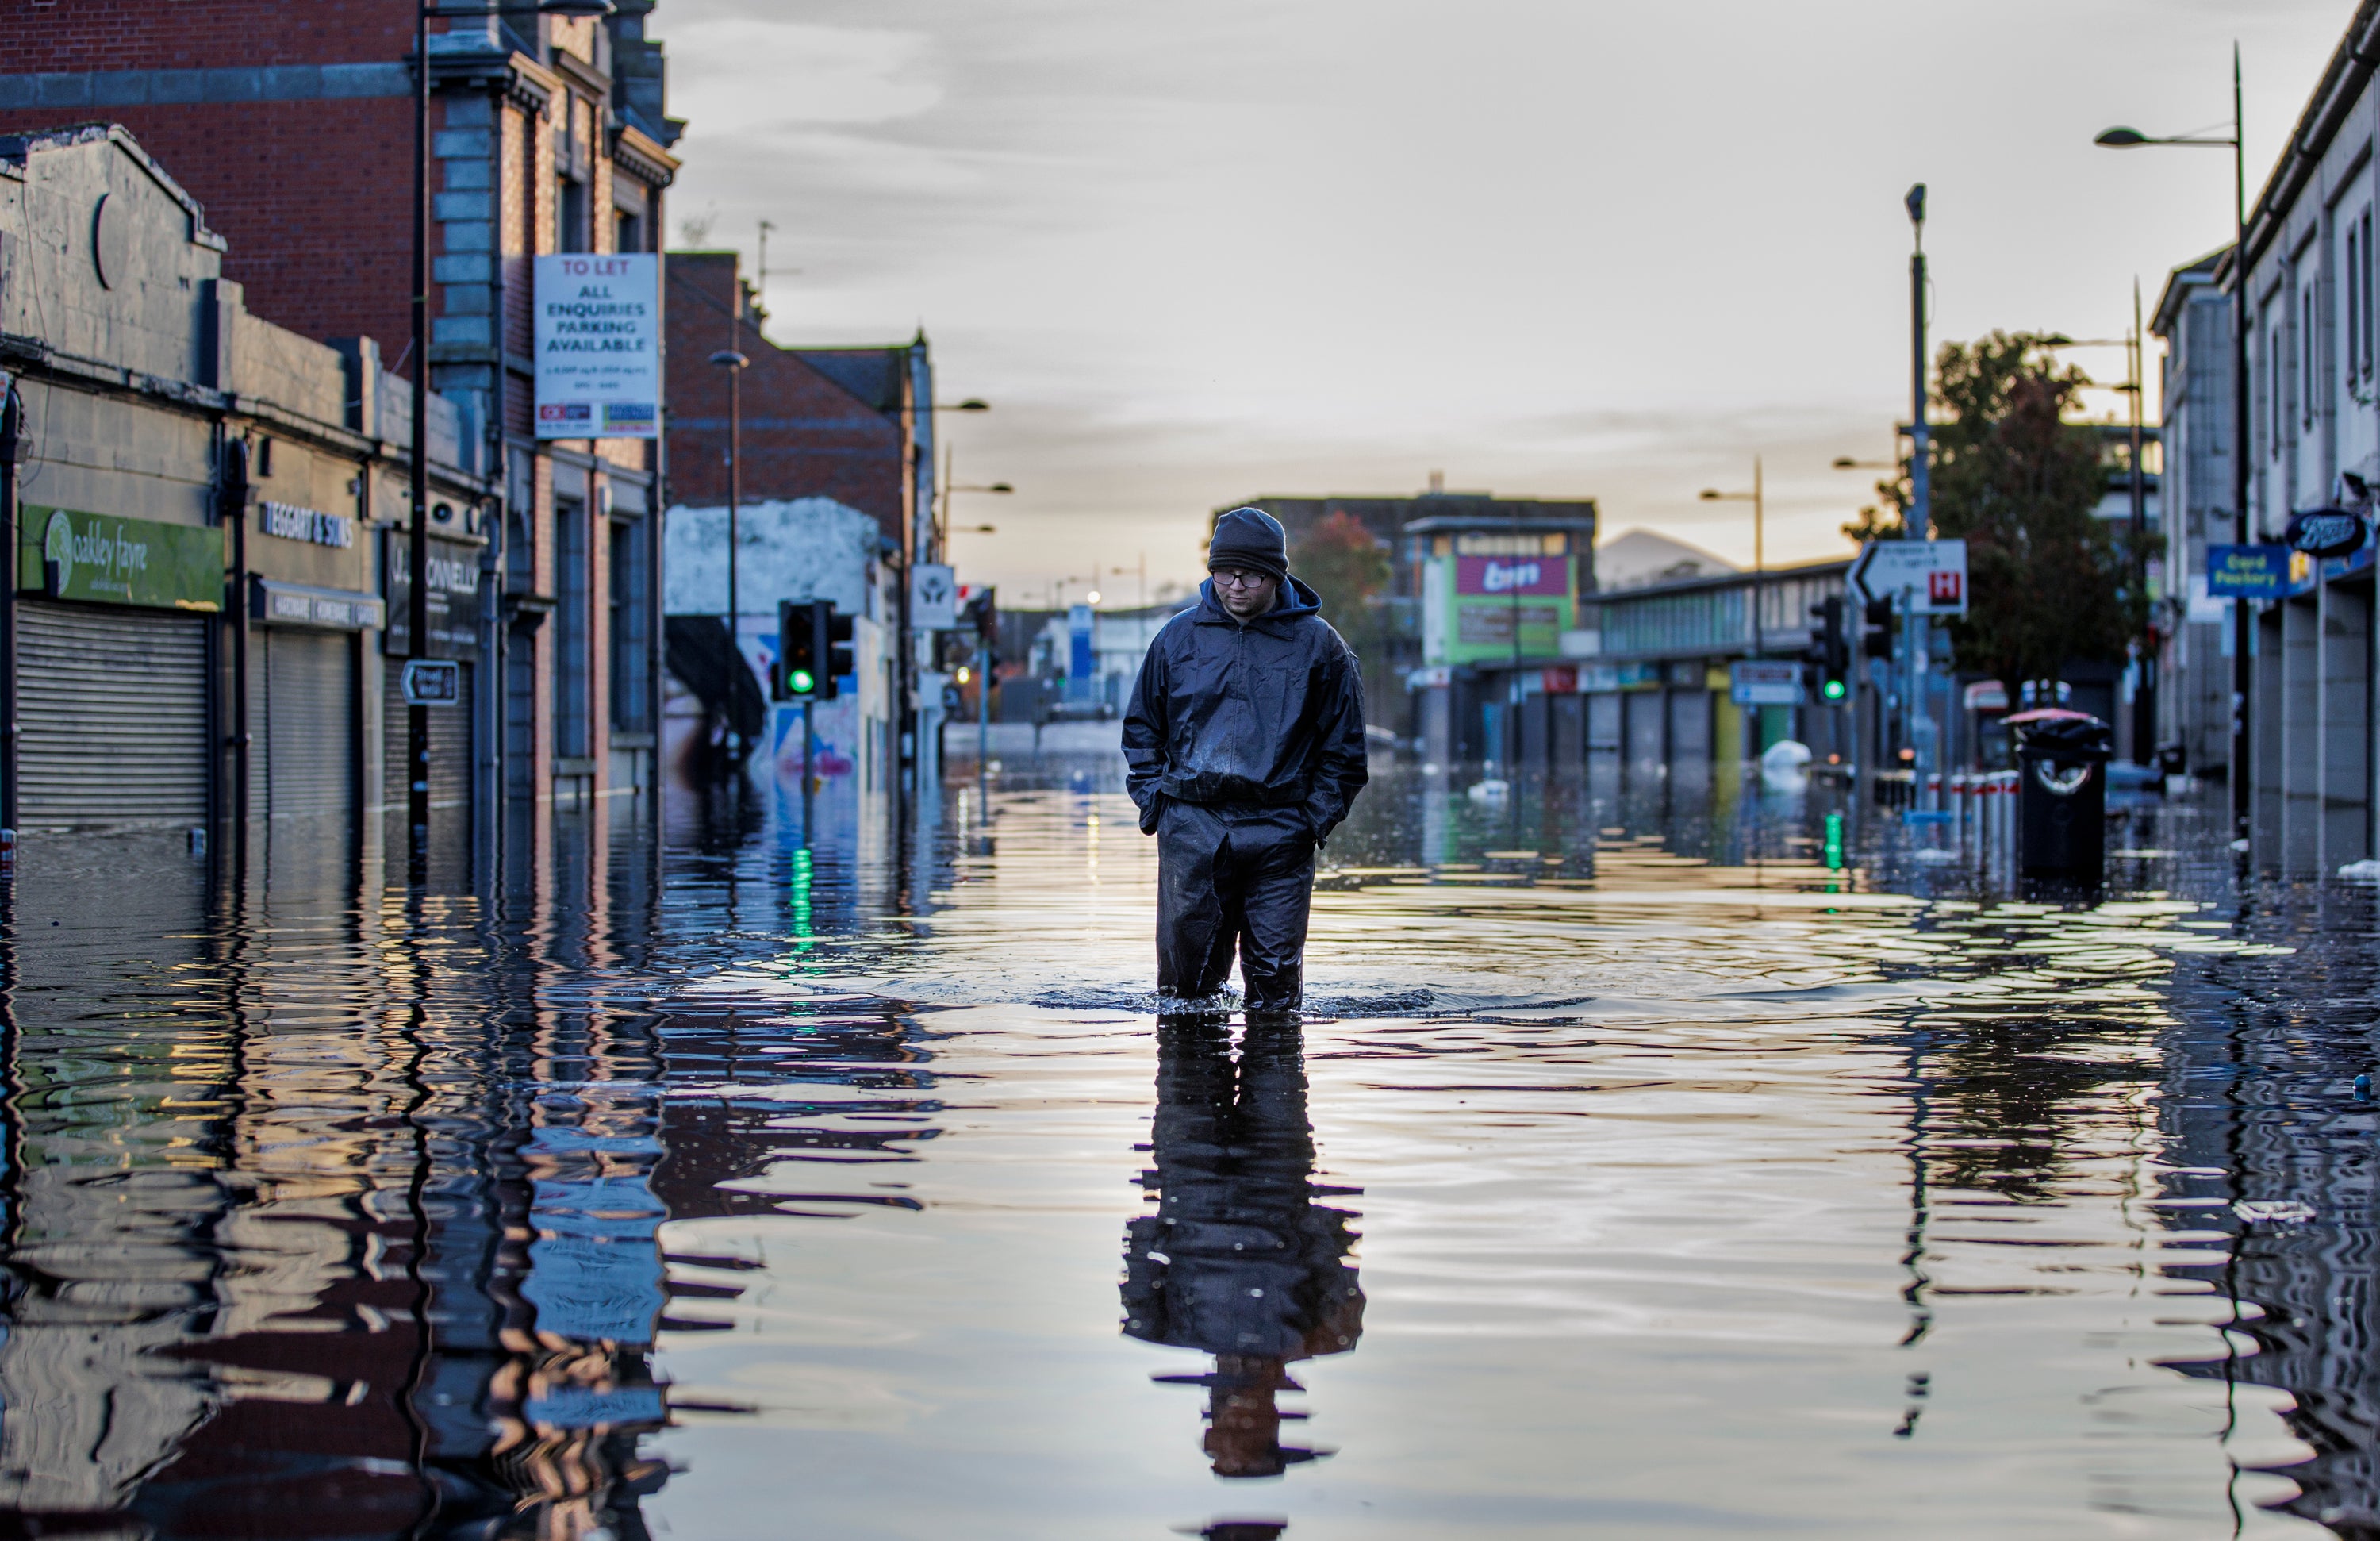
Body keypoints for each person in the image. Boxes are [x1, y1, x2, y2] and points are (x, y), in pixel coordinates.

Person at [1123, 506, 1369, 1013]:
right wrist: (1158, 808)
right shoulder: (1177, 638)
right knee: (1184, 994)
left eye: (1251, 574)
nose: (1235, 585)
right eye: (1224, 572)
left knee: (1276, 991)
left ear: (1275, 576)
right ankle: (1191, 1089)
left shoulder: (1321, 647)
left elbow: (1345, 750)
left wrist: (1311, 822)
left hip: (1282, 831)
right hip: (1192, 830)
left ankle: (1273, 1081)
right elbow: (1142, 729)